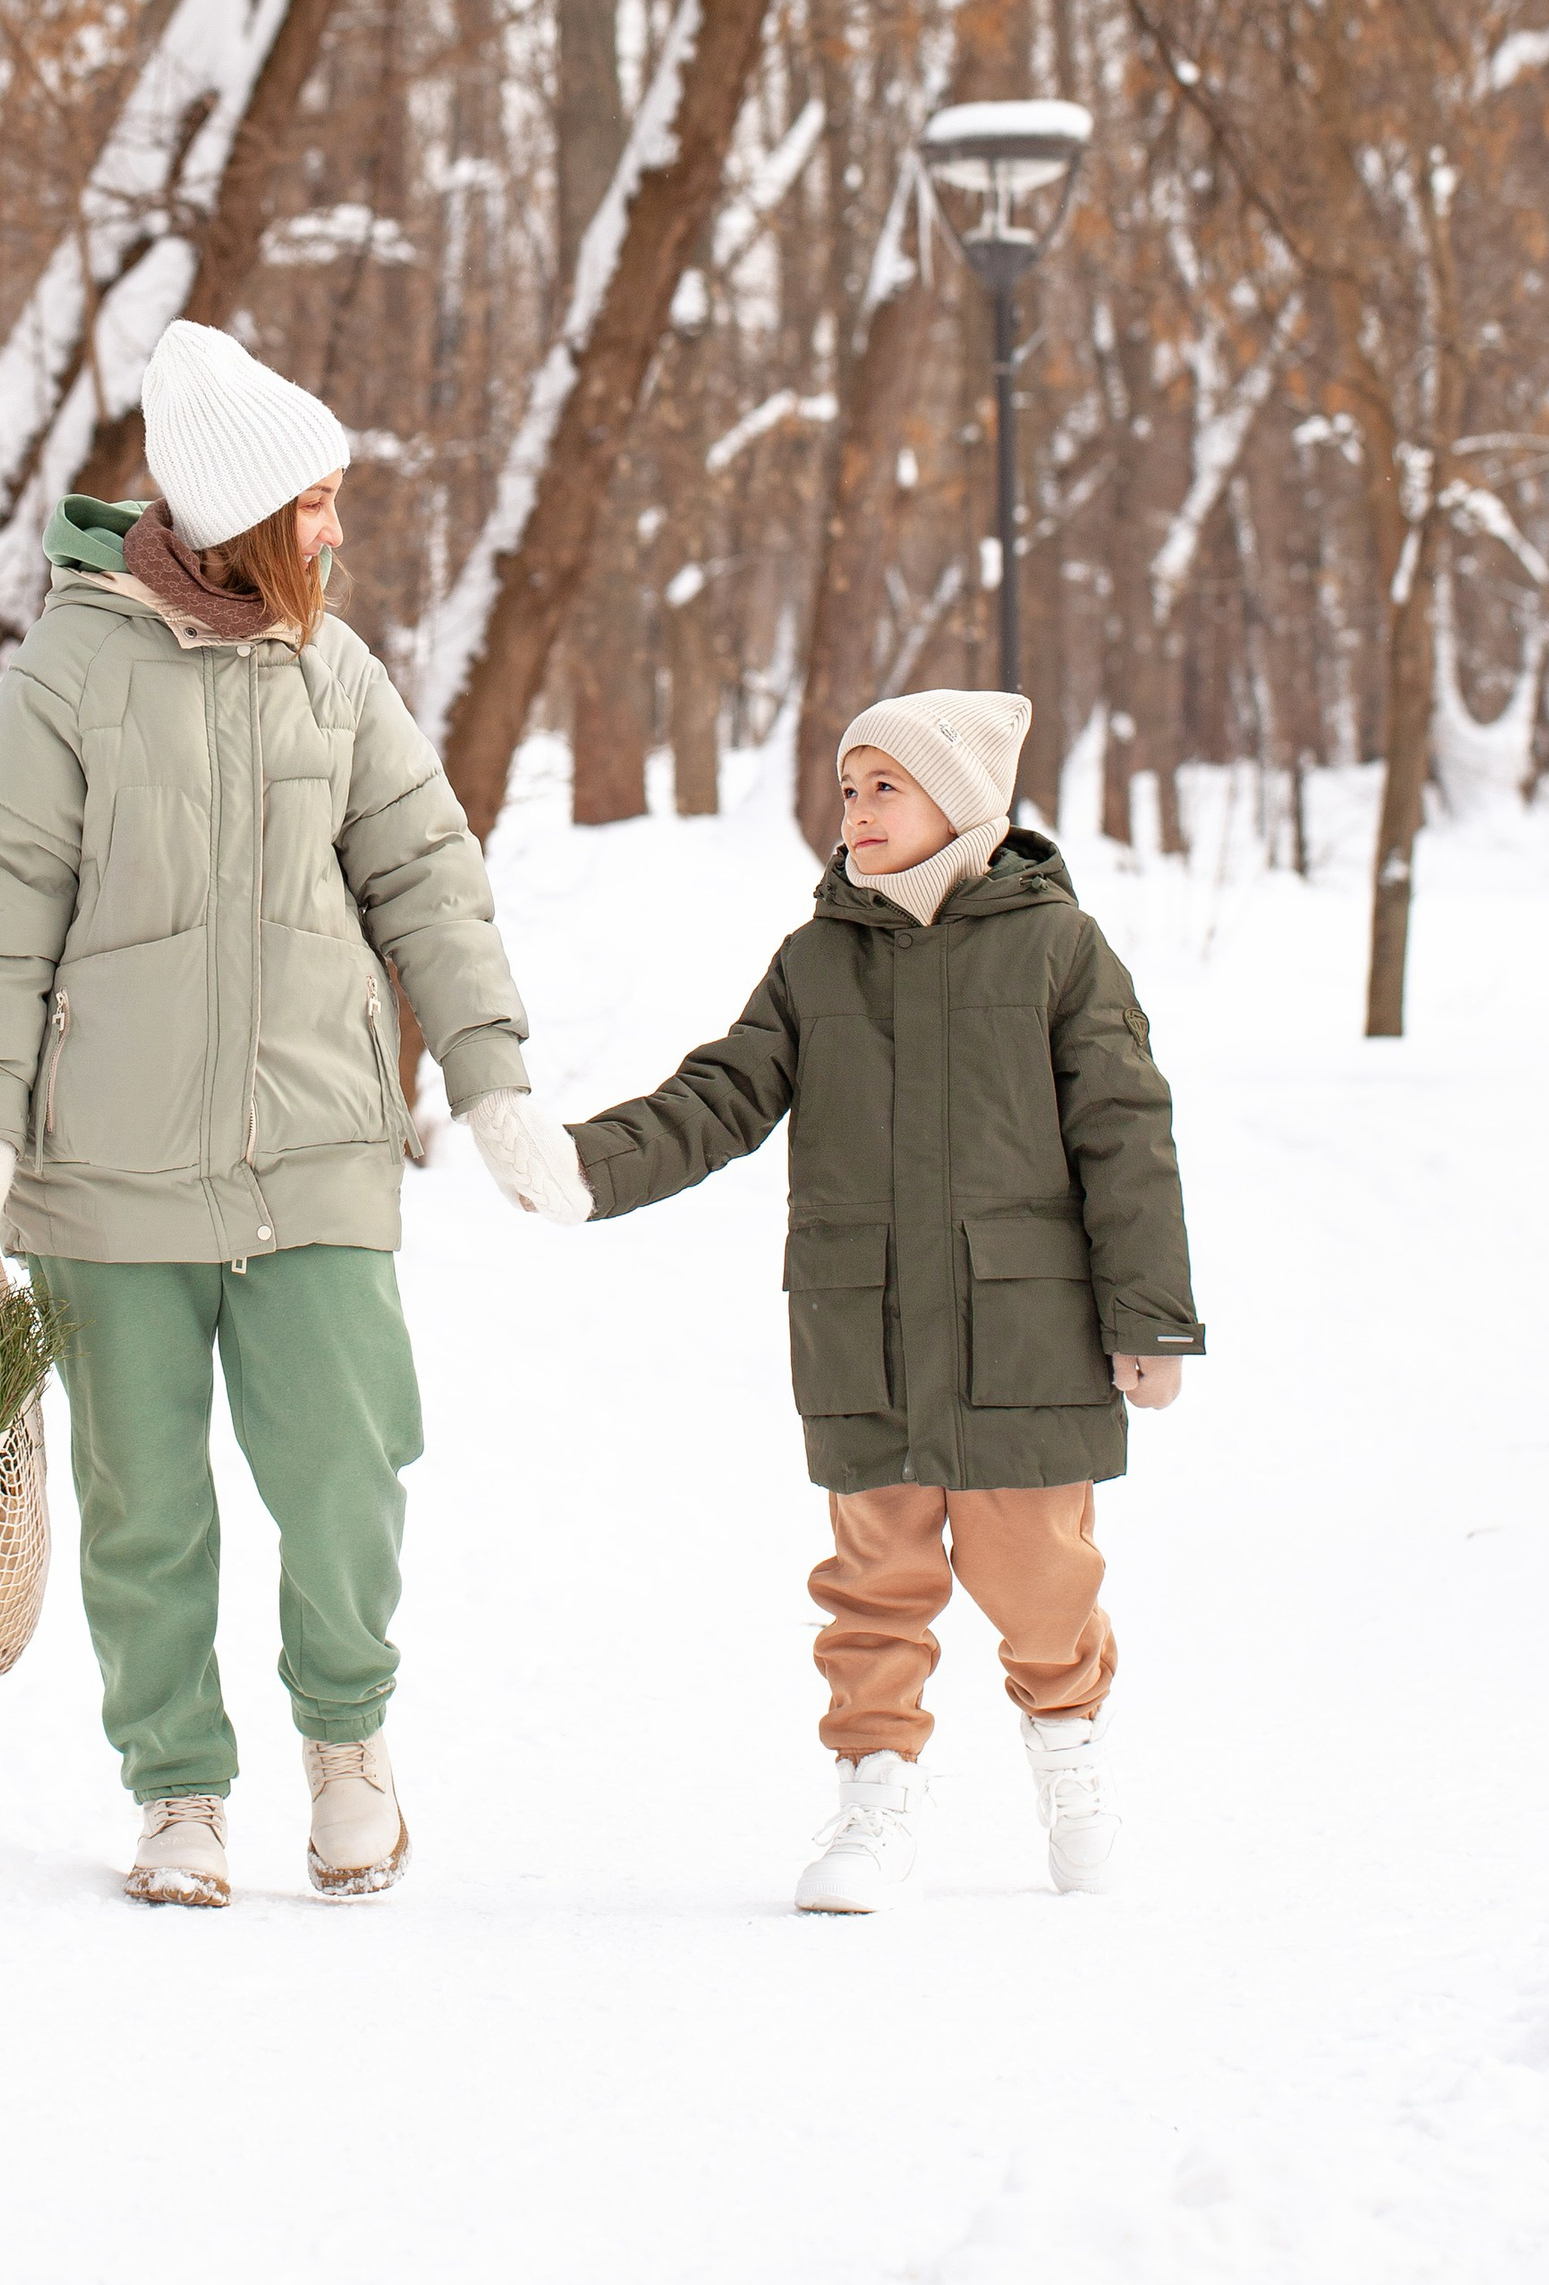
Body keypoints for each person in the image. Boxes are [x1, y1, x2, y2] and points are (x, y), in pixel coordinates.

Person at [0, 317, 562, 1909]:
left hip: (317, 1152)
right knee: (146, 1500)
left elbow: (429, 875)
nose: (339, 531)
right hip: (109, 1166)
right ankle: (179, 1790)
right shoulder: (65, 672)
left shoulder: (334, 672)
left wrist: (491, 1080)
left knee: (349, 1467)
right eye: (321, 503)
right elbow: (0, 903)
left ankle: (348, 1749)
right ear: (248, 513)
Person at [476, 690, 1203, 1914]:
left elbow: (1127, 1136)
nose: (856, 810)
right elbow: (720, 1095)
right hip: (861, 1326)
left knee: (1037, 1575)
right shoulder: (818, 960)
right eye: (849, 786)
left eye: (886, 787)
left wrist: (1152, 1318)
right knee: (873, 1583)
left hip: (1025, 1332)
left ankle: (1068, 1745)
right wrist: (583, 1166)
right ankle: (872, 1792)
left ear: (958, 805)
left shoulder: (1056, 949)